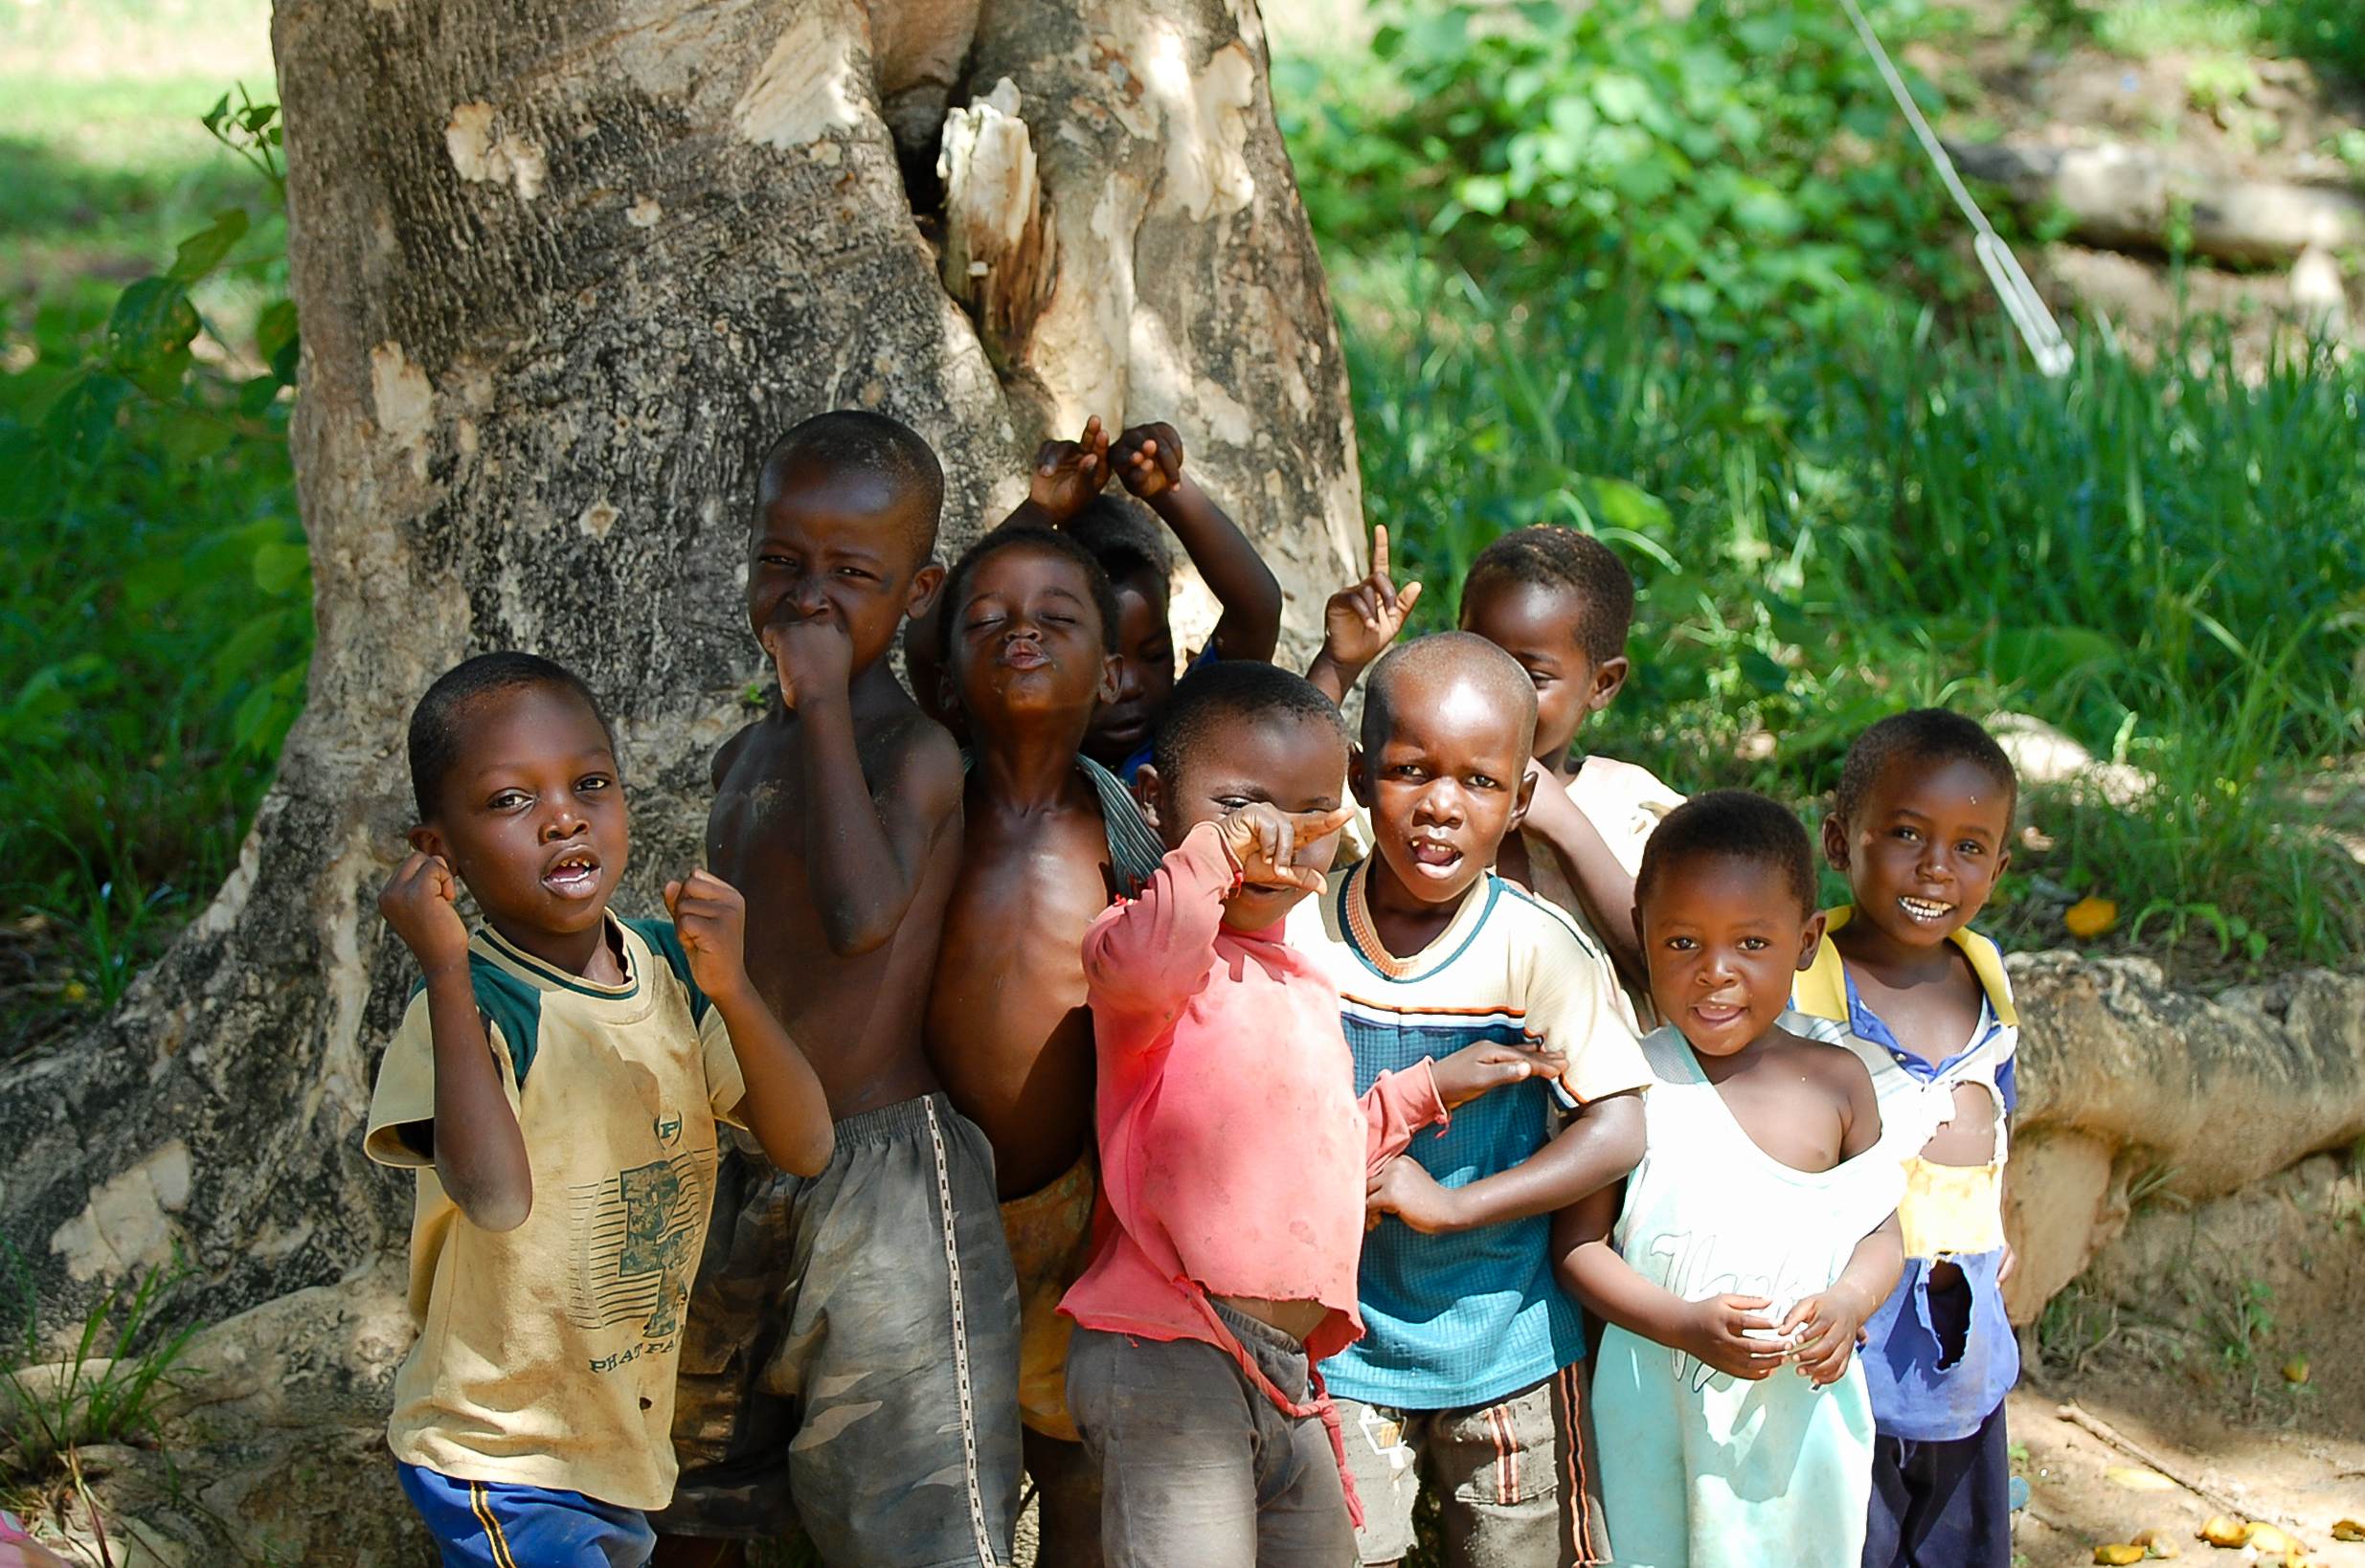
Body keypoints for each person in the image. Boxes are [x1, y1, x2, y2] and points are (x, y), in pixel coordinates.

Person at [1060, 661, 1567, 1567]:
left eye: (1307, 816)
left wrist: (1429, 1091)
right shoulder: (1148, 952)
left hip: (1289, 1374)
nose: (1272, 843)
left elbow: (1319, 1151)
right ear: (1153, 802)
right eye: (1243, 810)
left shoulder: (1301, 975)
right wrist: (1214, 855)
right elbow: (1145, 964)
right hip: (1171, 1350)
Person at [365, 652, 834, 1568]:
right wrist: (445, 967)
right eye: (510, 801)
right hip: (498, 1447)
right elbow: (495, 1197)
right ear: (439, 853)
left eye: (589, 784)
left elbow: (807, 1143)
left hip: (616, 1442)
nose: (562, 816)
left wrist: (733, 987)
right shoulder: (469, 1009)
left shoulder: (671, 972)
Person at [654, 412, 1022, 1567]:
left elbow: (864, 919)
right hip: (737, 1159)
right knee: (692, 1485)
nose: (808, 599)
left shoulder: (906, 751)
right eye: (782, 563)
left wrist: (818, 707)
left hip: (883, 1187)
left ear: (917, 591)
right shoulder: (744, 756)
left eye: (850, 576)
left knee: (909, 1510)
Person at [1295, 633, 1652, 1568]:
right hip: (1342, 1343)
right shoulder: (1303, 933)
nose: (1441, 808)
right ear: (1360, 773)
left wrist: (1456, 1205)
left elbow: (1617, 1125)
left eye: (1480, 783)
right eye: (1411, 771)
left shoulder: (1537, 951)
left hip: (1509, 1347)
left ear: (1522, 798)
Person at [1556, 790, 1905, 1568]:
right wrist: (1682, 1325)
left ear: (1807, 940)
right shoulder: (1626, 1081)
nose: (1716, 974)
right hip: (1659, 1416)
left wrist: (1849, 1303)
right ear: (1642, 941)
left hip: (1798, 1426)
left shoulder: (1839, 1082)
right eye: (1682, 944)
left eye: (1752, 943)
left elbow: (1882, 1234)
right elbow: (1578, 1250)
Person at [924, 524, 1164, 1565]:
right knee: (940, 1458)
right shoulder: (930, 807)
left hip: (1079, 1202)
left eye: (1054, 620)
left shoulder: (1119, 828)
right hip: (933, 1200)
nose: (1021, 633)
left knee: (1073, 1453)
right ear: (943, 667)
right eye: (989, 621)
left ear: (1110, 670)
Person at [1790, 710, 2021, 1568]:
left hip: (1964, 1321)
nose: (1935, 867)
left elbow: (1997, 1102)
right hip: (1845, 1321)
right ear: (1840, 841)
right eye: (1906, 834)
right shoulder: (1807, 979)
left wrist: (2004, 1224)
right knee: (1855, 1533)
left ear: (1997, 868)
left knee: (1960, 1534)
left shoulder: (1984, 971)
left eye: (1968, 848)